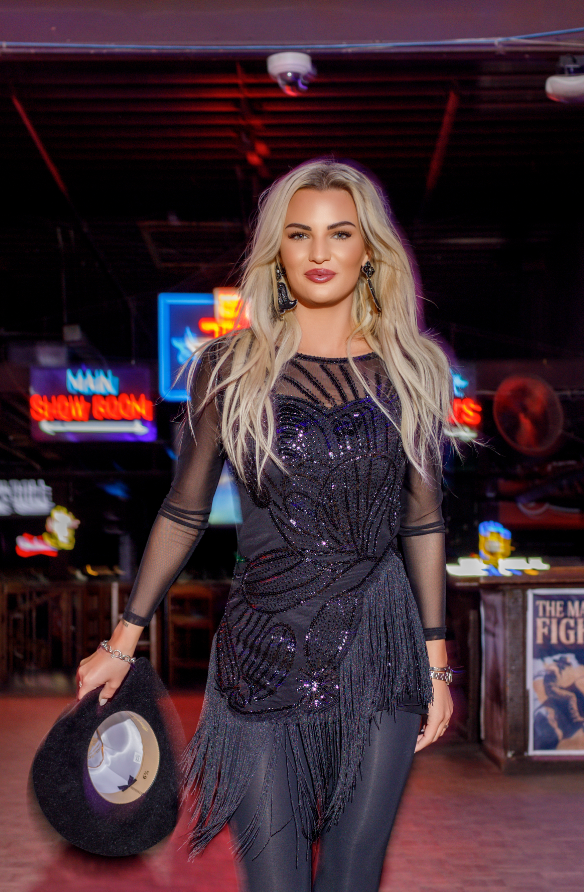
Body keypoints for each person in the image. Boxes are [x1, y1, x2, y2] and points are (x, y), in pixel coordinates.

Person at [76, 158, 454, 892]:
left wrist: (435, 664)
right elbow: (184, 510)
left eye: (339, 233)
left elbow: (423, 521)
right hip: (262, 649)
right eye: (299, 234)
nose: (319, 252)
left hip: (381, 647)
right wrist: (123, 640)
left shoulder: (412, 370)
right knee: (274, 880)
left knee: (353, 875)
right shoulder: (230, 367)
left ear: (368, 249)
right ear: (277, 251)